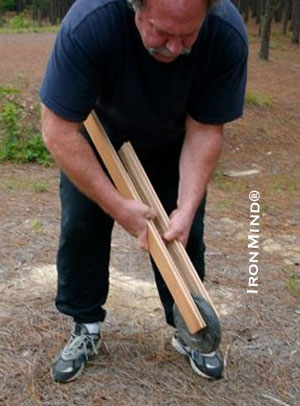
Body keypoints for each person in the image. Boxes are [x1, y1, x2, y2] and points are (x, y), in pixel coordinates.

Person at [40, 0, 248, 383]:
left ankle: (189, 327)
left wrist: (186, 207)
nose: (175, 48)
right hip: (97, 141)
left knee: (185, 235)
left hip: (175, 140)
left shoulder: (225, 33)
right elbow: (57, 130)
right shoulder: (90, 23)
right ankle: (85, 325)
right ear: (135, 8)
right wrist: (117, 205)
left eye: (188, 35)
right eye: (163, 33)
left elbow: (205, 129)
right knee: (81, 227)